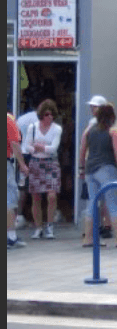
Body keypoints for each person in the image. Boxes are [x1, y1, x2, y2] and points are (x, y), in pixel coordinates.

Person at [79, 103, 117, 248]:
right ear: (112, 117)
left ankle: (88, 238)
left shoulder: (89, 130)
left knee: (92, 203)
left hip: (90, 169)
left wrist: (81, 168)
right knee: (112, 201)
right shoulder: (113, 131)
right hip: (106, 168)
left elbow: (82, 149)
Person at [24, 100, 63, 240]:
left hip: (51, 163)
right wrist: (38, 148)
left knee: (52, 195)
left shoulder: (57, 129)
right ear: (42, 115)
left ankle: (50, 226)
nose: (49, 117)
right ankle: (38, 227)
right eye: (47, 114)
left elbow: (54, 148)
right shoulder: (32, 127)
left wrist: (40, 147)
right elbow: (27, 146)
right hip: (35, 162)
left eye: (52, 114)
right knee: (35, 196)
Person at [79, 96, 114, 237]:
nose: (92, 109)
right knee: (99, 198)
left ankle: (100, 227)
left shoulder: (96, 124)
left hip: (96, 164)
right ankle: (100, 227)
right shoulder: (98, 123)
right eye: (91, 107)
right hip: (96, 164)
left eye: (95, 107)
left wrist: (82, 165)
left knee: (96, 199)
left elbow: (84, 143)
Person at [14, 102, 39, 229]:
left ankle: (19, 216)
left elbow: (16, 137)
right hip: (34, 154)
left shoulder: (21, 119)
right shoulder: (39, 119)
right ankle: (37, 219)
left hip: (23, 152)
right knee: (36, 187)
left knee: (22, 186)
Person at [7, 113, 30, 250]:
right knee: (9, 200)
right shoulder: (9, 120)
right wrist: (22, 164)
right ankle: (10, 237)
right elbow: (14, 142)